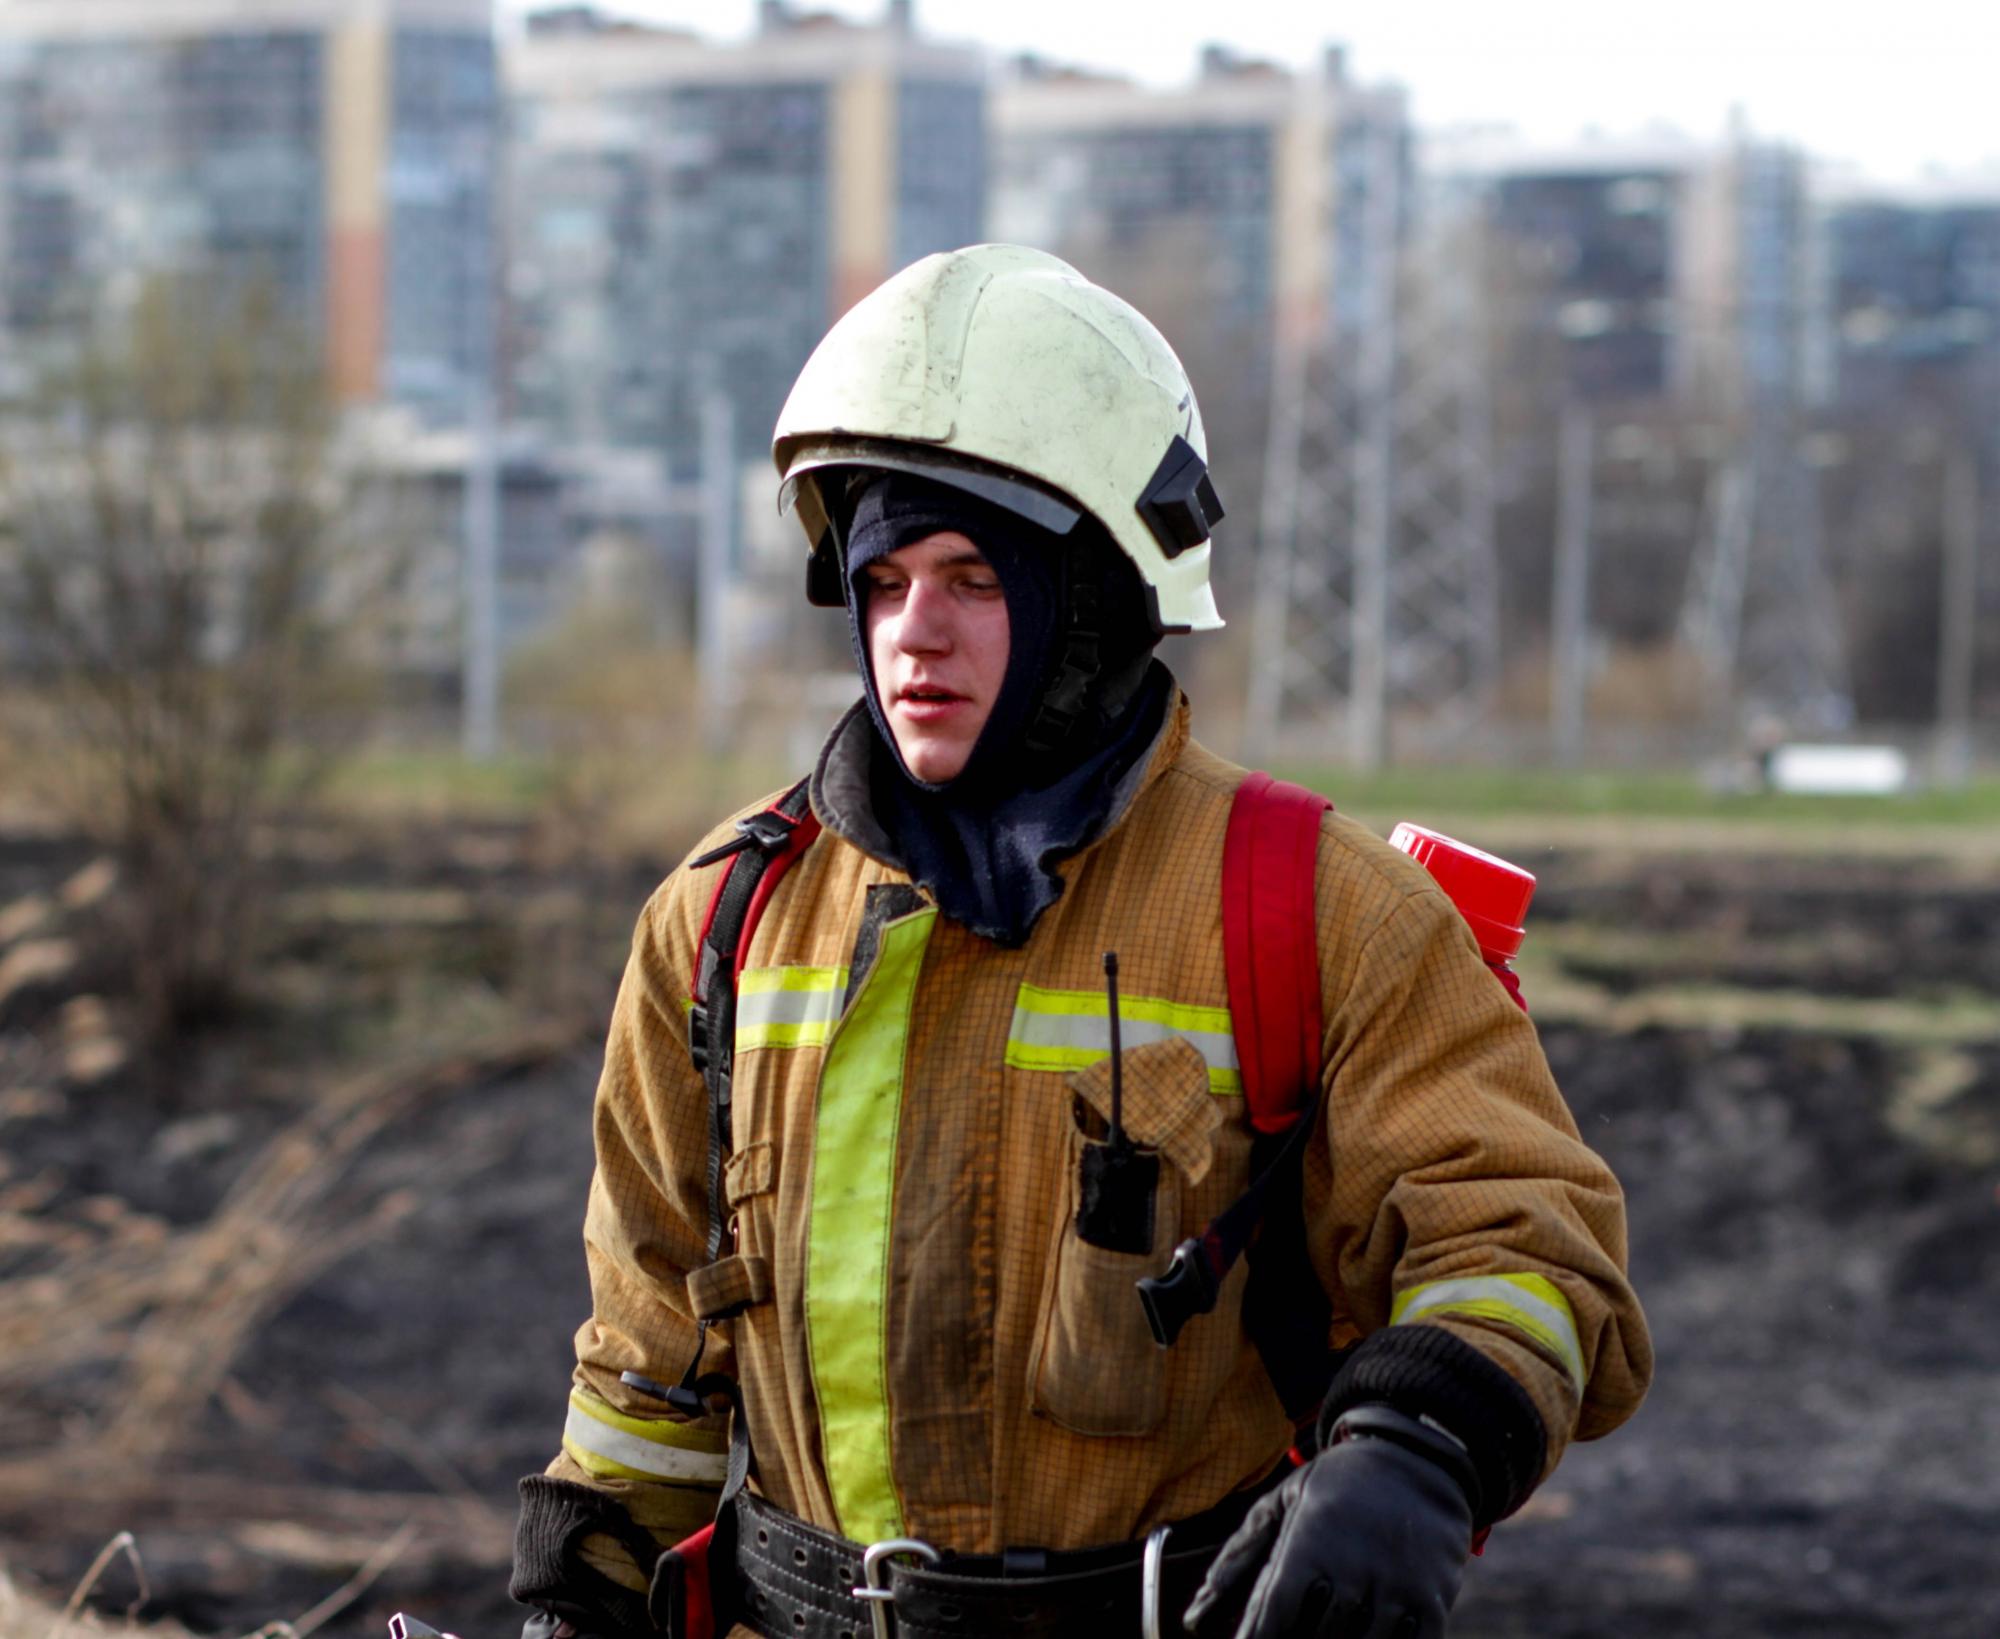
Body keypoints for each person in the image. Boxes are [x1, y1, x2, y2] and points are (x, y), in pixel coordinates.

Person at [509, 244, 1652, 1639]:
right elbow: (645, 1369)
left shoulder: (1312, 906)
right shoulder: (720, 920)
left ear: (1097, 602)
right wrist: (580, 1593)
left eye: (976, 579)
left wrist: (1417, 1454)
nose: (913, 634)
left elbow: (1523, 1239)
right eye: (883, 582)